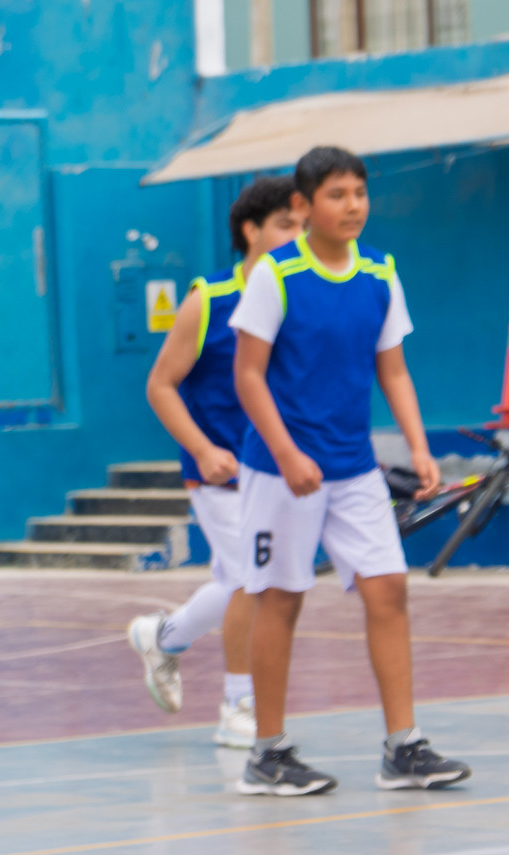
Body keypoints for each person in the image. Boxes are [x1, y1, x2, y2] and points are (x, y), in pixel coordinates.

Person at [229, 145, 470, 796]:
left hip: (353, 467)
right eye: (337, 195)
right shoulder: (275, 277)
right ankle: (267, 751)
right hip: (281, 469)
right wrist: (285, 453)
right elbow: (247, 376)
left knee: (388, 588)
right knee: (280, 598)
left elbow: (393, 369)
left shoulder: (380, 275)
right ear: (303, 207)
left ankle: (403, 747)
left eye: (360, 192)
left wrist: (420, 448)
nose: (353, 205)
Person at [128, 176, 300, 748]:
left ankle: (165, 637)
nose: (297, 237)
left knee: (238, 580)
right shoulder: (210, 300)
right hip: (219, 473)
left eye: (303, 227)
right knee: (254, 581)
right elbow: (159, 385)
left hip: (274, 471)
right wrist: (202, 449)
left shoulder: (297, 298)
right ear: (251, 231)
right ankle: (237, 705)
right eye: (285, 226)